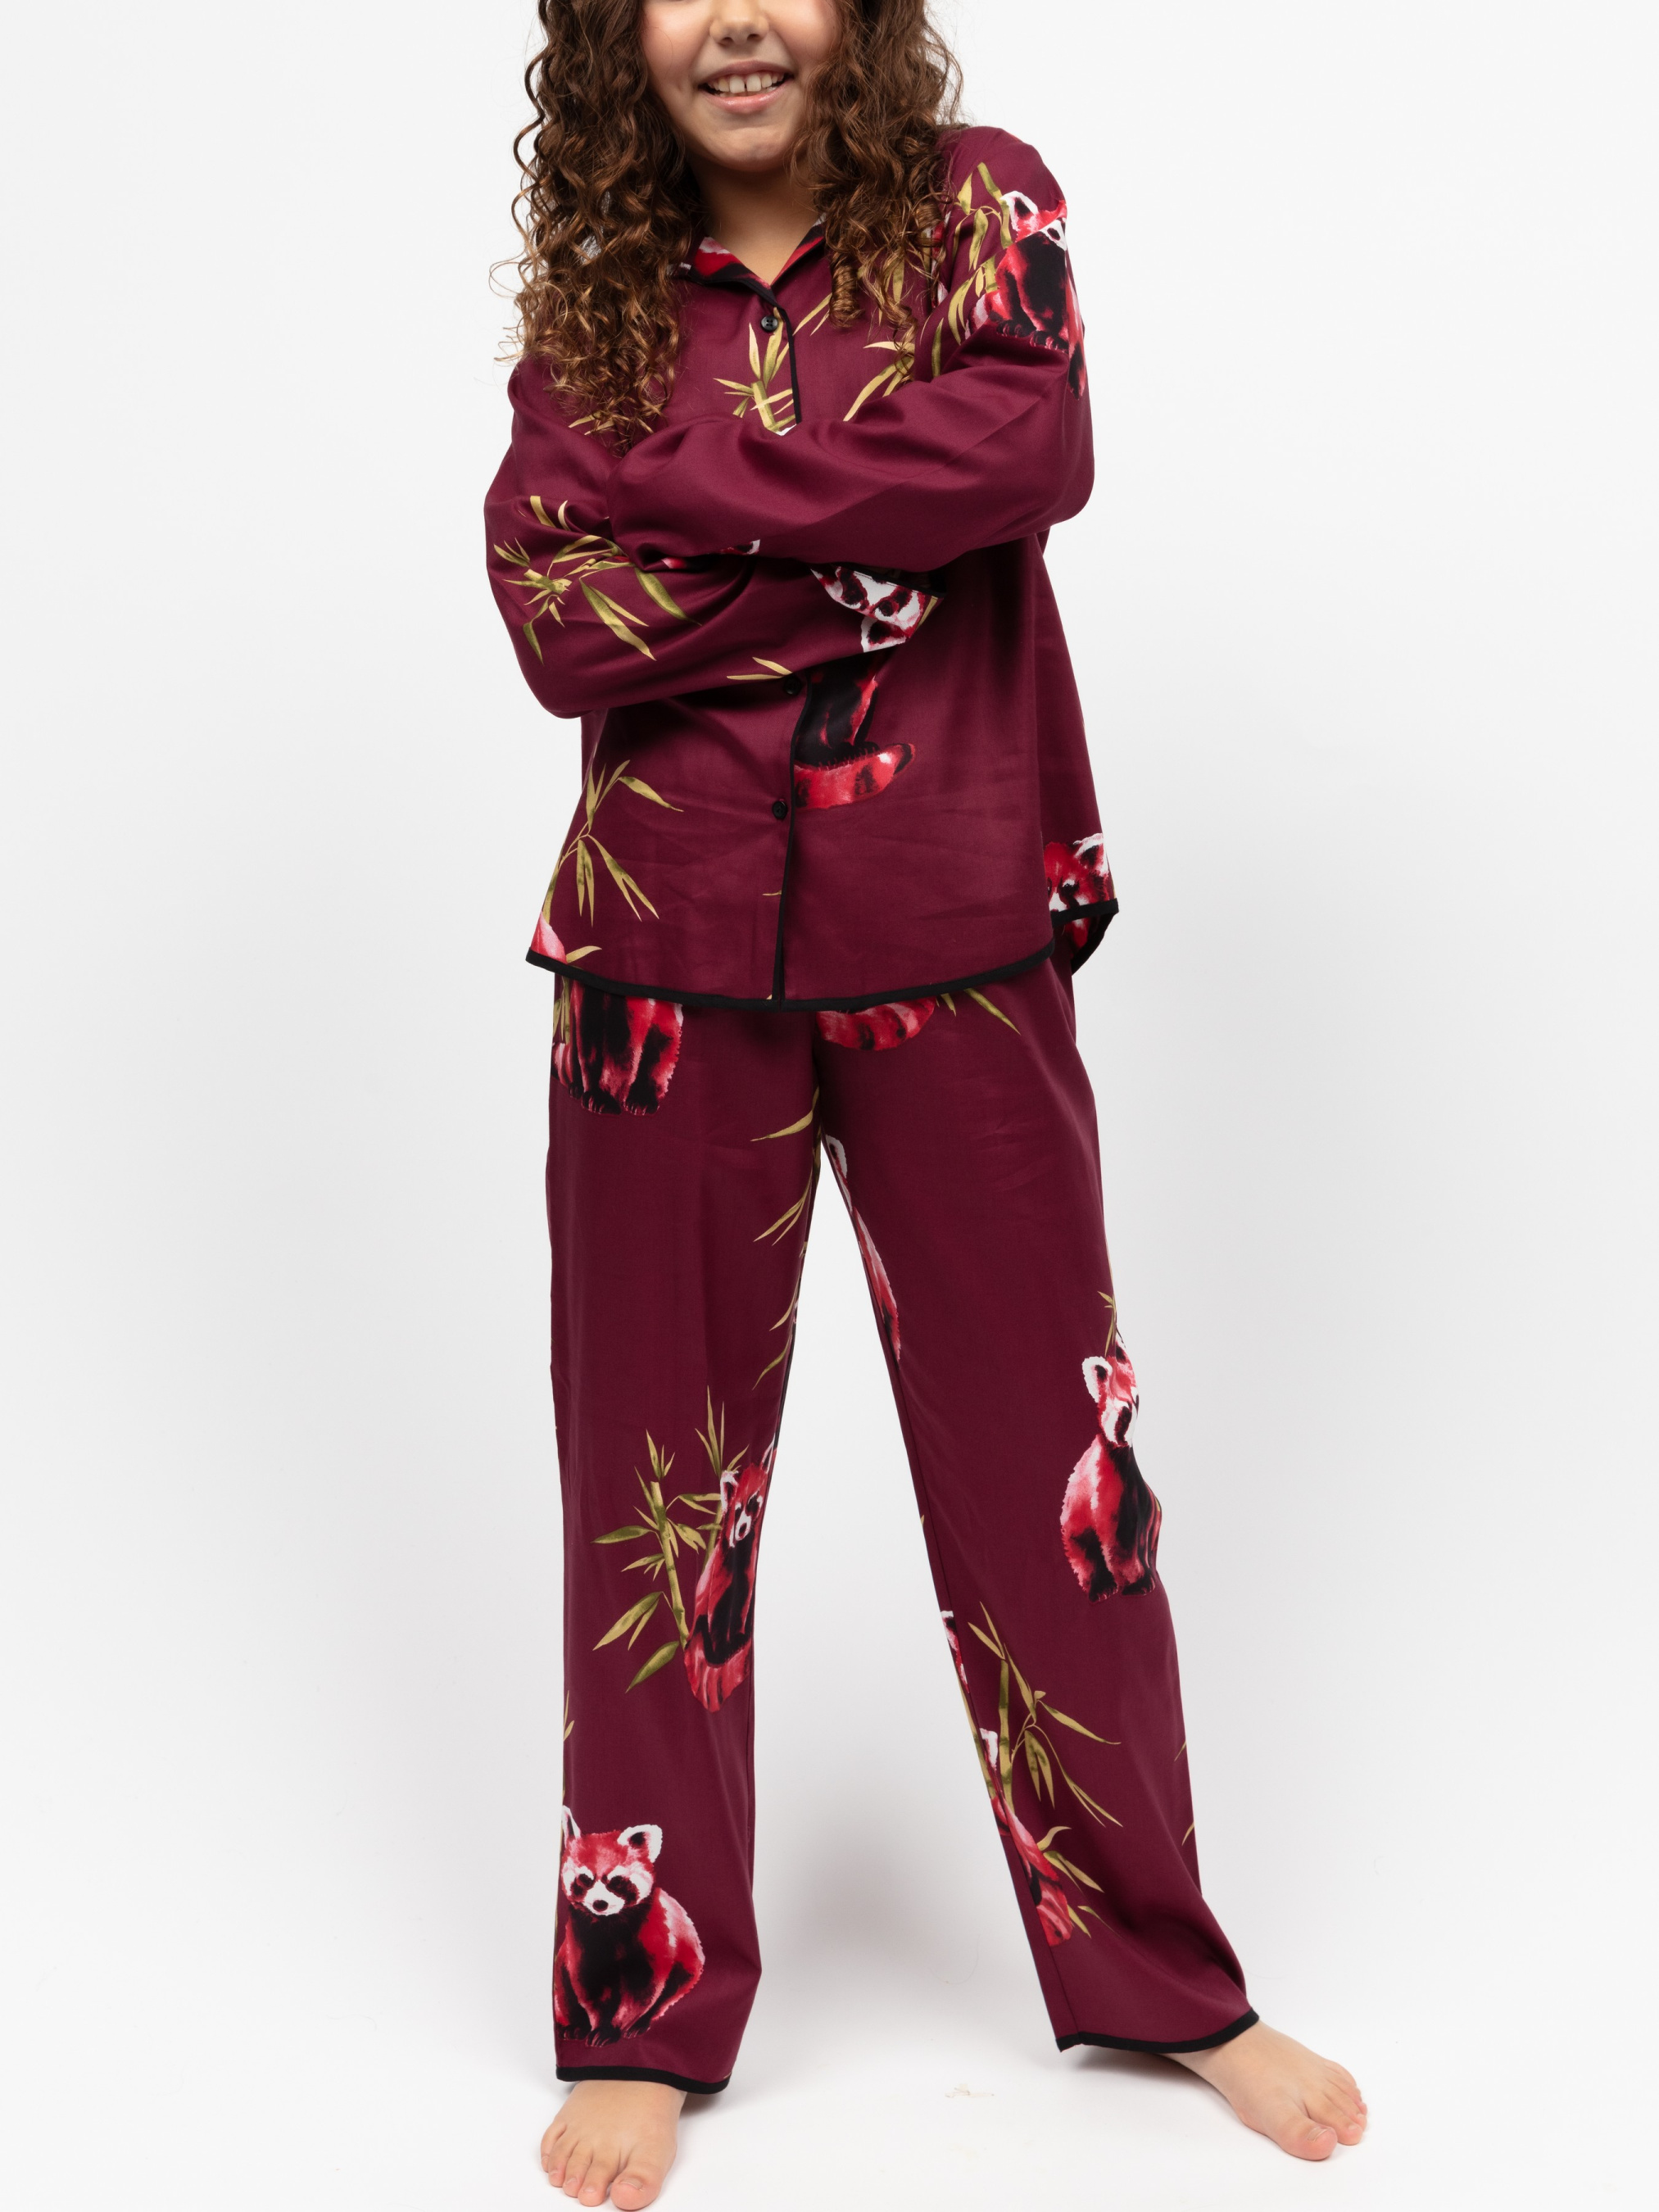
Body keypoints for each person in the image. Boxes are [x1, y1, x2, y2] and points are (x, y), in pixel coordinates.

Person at [483, 2, 1368, 2203]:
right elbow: (556, 614)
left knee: (1054, 1466)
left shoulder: (984, 208)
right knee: (655, 1502)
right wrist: (870, 559)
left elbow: (1026, 455)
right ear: (613, 34)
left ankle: (1161, 1976)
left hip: (956, 916)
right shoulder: (599, 296)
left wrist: (687, 513)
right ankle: (644, 2009)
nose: (737, 19)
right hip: (662, 957)